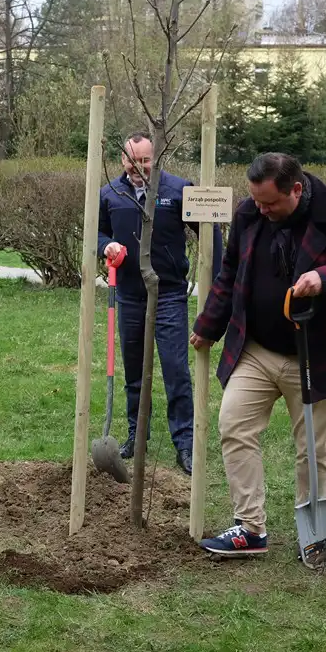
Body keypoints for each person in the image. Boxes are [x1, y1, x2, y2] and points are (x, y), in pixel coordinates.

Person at [192, 152, 326, 558]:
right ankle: (251, 529)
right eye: (257, 202)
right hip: (258, 350)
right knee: (233, 425)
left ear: (296, 189)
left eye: (270, 203)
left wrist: (325, 278)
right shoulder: (250, 215)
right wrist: (209, 326)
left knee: (313, 450)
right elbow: (231, 273)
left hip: (315, 358)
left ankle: (315, 535)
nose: (261, 210)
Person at [97, 132, 224, 476]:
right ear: (122, 159)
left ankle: (184, 443)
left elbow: (209, 231)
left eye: (146, 160)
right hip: (129, 295)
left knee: (175, 370)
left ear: (156, 157)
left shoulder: (179, 190)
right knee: (135, 372)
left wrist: (220, 276)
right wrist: (105, 245)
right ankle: (136, 437)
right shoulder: (110, 194)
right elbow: (97, 233)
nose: (138, 167)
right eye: (131, 160)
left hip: (168, 294)